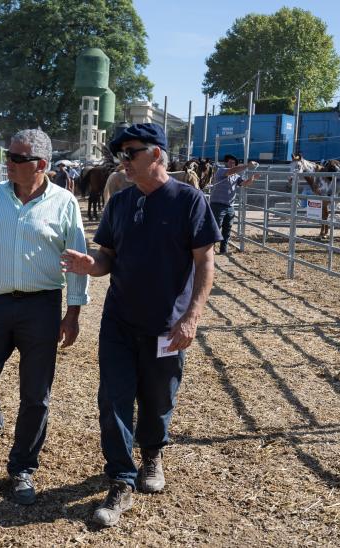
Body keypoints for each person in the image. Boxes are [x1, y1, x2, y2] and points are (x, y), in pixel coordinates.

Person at [60, 123, 221, 527]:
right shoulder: (120, 203)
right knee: (113, 397)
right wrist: (89, 265)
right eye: (120, 155)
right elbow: (106, 258)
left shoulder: (189, 201)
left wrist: (192, 317)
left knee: (158, 396)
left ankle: (152, 454)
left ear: (155, 154)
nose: (123, 162)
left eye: (130, 153)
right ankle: (121, 478)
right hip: (119, 318)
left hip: (167, 323)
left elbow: (205, 262)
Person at [0, 128, 89, 505]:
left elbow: (75, 262)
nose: (7, 162)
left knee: (36, 394)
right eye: (8, 155)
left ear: (40, 165)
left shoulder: (64, 203)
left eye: (16, 158)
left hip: (42, 306)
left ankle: (23, 466)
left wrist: (72, 313)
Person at [208, 154, 257, 254]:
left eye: (234, 163)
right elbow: (231, 171)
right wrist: (247, 165)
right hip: (218, 204)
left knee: (227, 229)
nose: (232, 164)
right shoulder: (221, 171)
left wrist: (252, 179)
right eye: (230, 162)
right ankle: (210, 249)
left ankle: (223, 250)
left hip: (229, 206)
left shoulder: (237, 176)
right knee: (215, 227)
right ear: (226, 162)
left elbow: (244, 184)